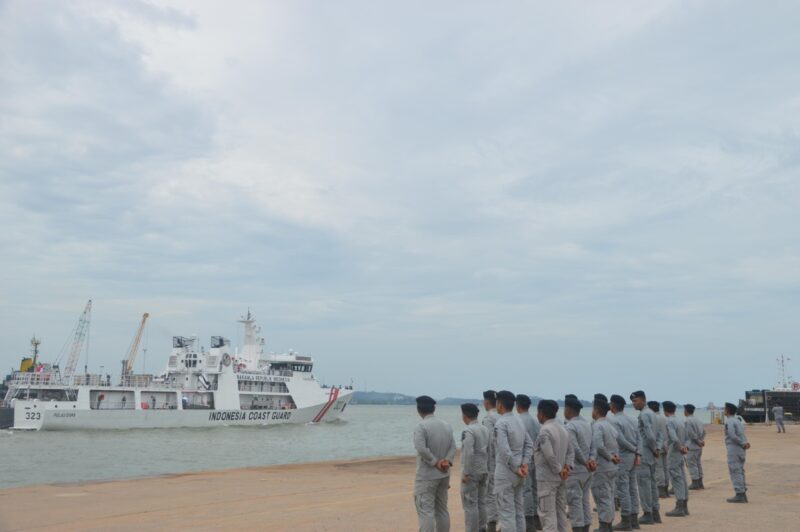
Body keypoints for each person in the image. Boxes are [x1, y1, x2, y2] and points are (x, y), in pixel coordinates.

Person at [413, 395, 457, 532]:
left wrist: (435, 462)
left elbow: (421, 448)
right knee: (442, 510)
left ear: (418, 409)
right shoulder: (446, 425)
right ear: (434, 409)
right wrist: (447, 461)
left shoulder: (421, 426)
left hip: (427, 476)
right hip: (444, 474)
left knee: (425, 511)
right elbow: (453, 447)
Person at [494, 391, 533, 532]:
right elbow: (529, 444)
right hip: (519, 473)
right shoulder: (519, 421)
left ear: (500, 404)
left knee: (507, 515)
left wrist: (517, 467)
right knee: (518, 512)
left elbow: (504, 451)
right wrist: (524, 463)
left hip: (506, 474)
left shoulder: (501, 423)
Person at [534, 399, 573, 532]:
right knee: (560, 512)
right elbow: (571, 451)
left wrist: (559, 470)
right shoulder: (563, 429)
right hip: (561, 478)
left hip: (547, 478)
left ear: (541, 413)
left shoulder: (544, 430)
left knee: (547, 515)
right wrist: (567, 467)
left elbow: (549, 455)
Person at [608, 394, 640, 530]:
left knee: (623, 489)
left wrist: (634, 450)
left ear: (613, 406)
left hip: (623, 456)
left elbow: (621, 440)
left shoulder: (614, 421)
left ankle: (626, 519)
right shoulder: (632, 419)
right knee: (632, 488)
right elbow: (639, 438)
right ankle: (634, 519)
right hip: (633, 456)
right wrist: (638, 452)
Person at [630, 391, 661, 524]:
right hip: (652, 454)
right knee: (652, 484)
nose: (633, 404)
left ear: (643, 400)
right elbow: (659, 434)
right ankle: (655, 512)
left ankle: (648, 513)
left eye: (635, 401)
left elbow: (649, 436)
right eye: (633, 401)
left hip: (645, 453)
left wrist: (654, 449)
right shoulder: (653, 414)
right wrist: (657, 448)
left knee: (644, 485)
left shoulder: (643, 415)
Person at [590, 398, 620, 532]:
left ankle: (604, 525)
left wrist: (610, 457)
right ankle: (608, 525)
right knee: (609, 496)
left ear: (596, 410)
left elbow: (599, 446)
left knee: (602, 497)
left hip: (603, 467)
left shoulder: (598, 425)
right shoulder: (609, 425)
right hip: (612, 467)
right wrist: (614, 456)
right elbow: (615, 443)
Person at [460, 403, 491, 532]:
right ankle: (482, 528)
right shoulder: (485, 429)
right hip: (484, 469)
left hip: (472, 472)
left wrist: (466, 473)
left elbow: (468, 452)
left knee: (470, 504)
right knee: (482, 502)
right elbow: (489, 450)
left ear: (465, 415)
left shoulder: (469, 431)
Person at [564, 395, 592, 532]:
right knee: (584, 501)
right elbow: (593, 445)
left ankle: (578, 529)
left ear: (568, 409)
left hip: (576, 470)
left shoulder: (570, 426)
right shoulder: (586, 424)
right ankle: (586, 527)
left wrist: (585, 461)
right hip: (588, 470)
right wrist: (590, 460)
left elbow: (574, 448)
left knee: (575, 503)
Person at [516, 394, 542, 531]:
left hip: (523, 460)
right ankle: (537, 519)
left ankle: (528, 522)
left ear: (518, 406)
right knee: (534, 489)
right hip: (535, 459)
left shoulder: (519, 421)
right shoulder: (535, 421)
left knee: (525, 491)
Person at [662, 401, 689, 517]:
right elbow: (687, 437)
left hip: (674, 452)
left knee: (676, 480)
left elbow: (673, 437)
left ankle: (680, 506)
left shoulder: (669, 421)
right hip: (681, 453)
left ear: (664, 410)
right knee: (682, 478)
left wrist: (680, 447)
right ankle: (685, 506)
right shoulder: (680, 420)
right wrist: (685, 447)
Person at [724, 402, 750, 503]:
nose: (724, 410)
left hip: (734, 448)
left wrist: (743, 443)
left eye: (725, 409)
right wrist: (745, 443)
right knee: (740, 470)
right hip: (741, 449)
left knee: (735, 470)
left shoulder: (729, 421)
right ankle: (742, 492)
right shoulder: (738, 421)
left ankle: (740, 494)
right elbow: (742, 434)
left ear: (728, 410)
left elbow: (732, 435)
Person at [483, 390, 501, 531]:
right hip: (503, 462)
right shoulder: (502, 417)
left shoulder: (488, 419)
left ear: (487, 402)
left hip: (492, 462)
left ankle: (491, 525)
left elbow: (488, 443)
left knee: (490, 495)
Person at [647, 401, 670, 499]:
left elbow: (652, 435)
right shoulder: (664, 417)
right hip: (666, 445)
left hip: (657, 446)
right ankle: (665, 488)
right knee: (665, 468)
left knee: (658, 468)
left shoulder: (653, 419)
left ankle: (661, 490)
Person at [683, 404, 705, 490]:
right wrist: (701, 441)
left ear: (686, 411)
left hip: (692, 446)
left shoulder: (687, 421)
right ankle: (700, 482)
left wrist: (698, 441)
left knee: (692, 464)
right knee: (698, 463)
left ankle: (695, 482)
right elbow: (704, 432)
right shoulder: (698, 420)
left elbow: (691, 434)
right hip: (699, 446)